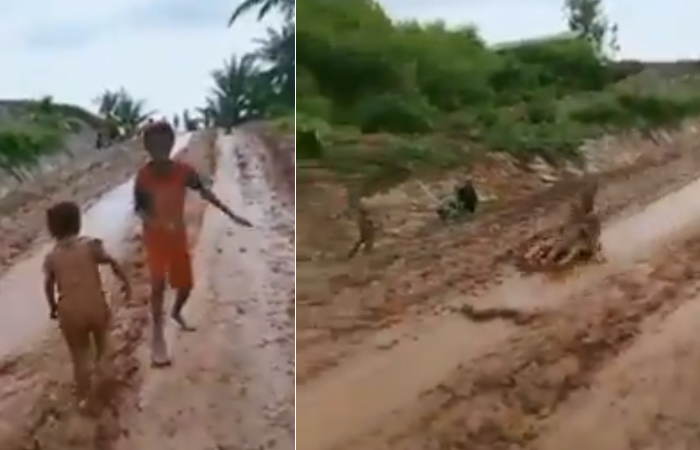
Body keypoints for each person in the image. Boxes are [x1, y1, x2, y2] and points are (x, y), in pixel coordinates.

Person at [133, 121, 252, 367]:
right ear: (147, 147)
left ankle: (176, 312)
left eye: (164, 144)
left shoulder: (184, 172)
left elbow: (206, 193)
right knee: (157, 285)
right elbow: (140, 210)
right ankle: (158, 338)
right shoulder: (143, 177)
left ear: (170, 144)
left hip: (177, 236)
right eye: (154, 145)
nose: (160, 150)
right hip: (156, 239)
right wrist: (156, 223)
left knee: (186, 286)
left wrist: (231, 213)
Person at [42, 201, 131, 408]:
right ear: (78, 223)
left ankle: (84, 398)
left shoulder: (51, 258)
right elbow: (112, 262)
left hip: (70, 314)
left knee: (79, 356)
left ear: (52, 230)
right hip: (96, 307)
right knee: (102, 344)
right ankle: (106, 379)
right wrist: (125, 283)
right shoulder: (91, 246)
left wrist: (53, 308)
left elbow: (48, 286)